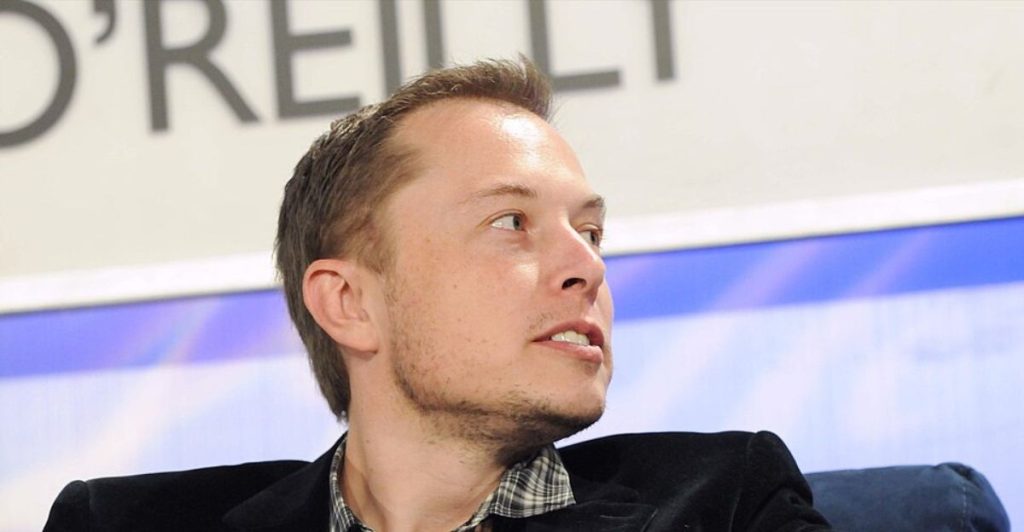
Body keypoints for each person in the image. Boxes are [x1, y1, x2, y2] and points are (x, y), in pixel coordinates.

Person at [44, 59, 830, 531]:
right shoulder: (119, 524)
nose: (587, 268)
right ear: (349, 302)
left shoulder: (726, 498)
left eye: (591, 232)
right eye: (512, 222)